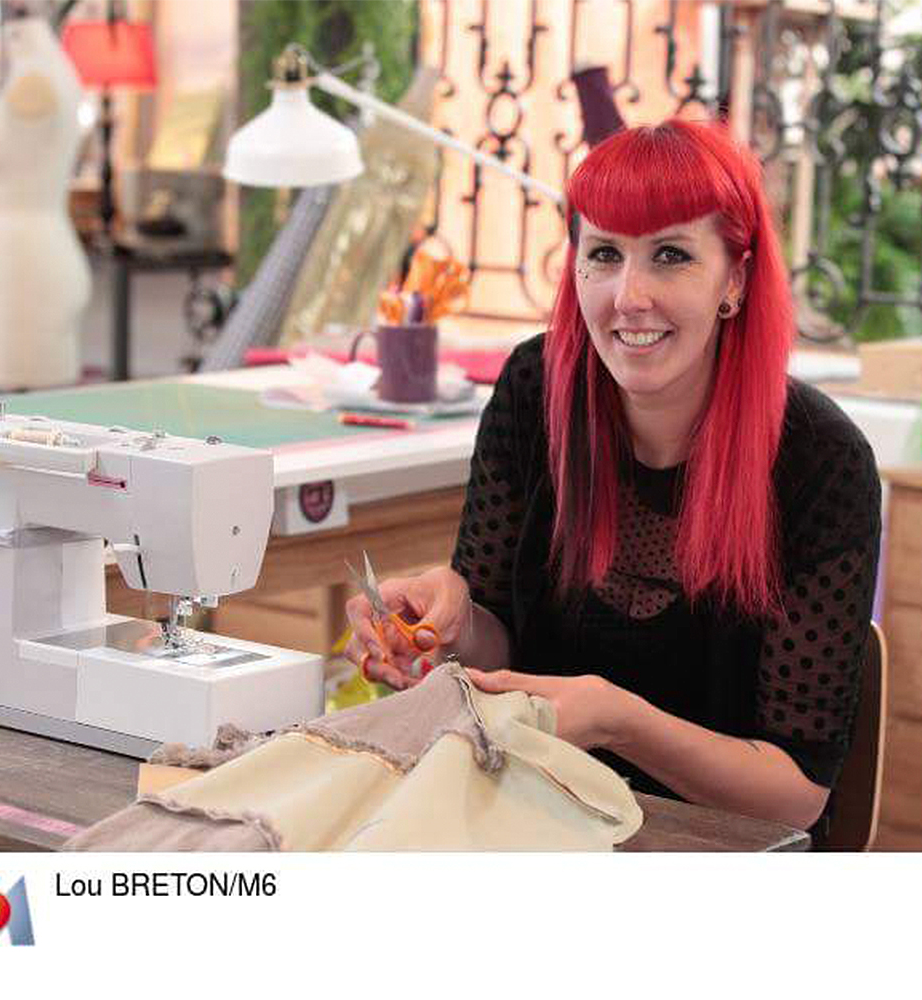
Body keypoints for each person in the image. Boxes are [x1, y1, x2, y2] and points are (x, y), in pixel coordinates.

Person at [344, 118, 881, 835]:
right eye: (604, 253)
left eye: (669, 255)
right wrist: (452, 622)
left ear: (736, 279)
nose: (629, 295)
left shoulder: (822, 464)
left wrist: (614, 719)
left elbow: (794, 795)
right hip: (534, 813)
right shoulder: (534, 389)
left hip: (714, 849)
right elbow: (502, 642)